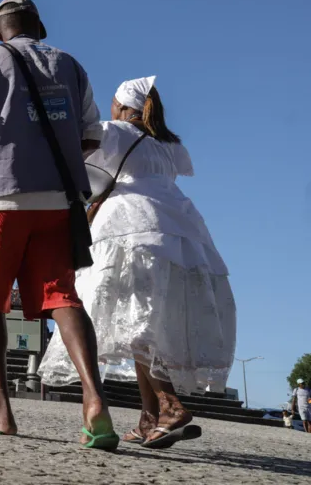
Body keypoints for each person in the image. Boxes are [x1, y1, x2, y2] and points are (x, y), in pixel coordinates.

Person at [0, 0, 117, 449]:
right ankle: (93, 400)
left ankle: (1, 411)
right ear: (38, 27)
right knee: (63, 297)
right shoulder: (71, 65)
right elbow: (90, 136)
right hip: (59, 199)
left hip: (0, 198)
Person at [39, 78, 235, 449]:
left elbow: (82, 161)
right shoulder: (168, 146)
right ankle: (149, 418)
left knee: (136, 322)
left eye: (113, 103)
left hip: (131, 227)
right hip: (180, 233)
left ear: (123, 107)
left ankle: (170, 406)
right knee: (145, 321)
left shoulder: (114, 131)